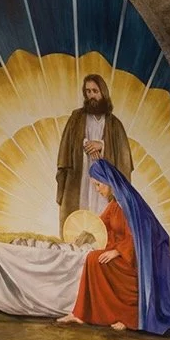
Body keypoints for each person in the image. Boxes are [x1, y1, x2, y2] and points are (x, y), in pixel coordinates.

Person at [57, 159, 170, 334]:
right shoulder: (114, 204)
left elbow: (140, 235)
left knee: (95, 259)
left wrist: (117, 251)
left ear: (109, 181)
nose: (98, 190)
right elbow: (99, 225)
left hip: (136, 260)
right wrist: (84, 235)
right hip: (122, 254)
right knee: (92, 258)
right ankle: (80, 314)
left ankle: (129, 318)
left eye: (99, 185)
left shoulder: (128, 202)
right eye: (95, 186)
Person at [55, 74, 134, 233]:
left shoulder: (114, 124)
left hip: (104, 180)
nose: (91, 95)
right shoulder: (76, 118)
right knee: (80, 214)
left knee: (102, 216)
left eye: (95, 91)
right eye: (88, 92)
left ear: (103, 92)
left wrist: (102, 146)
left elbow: (124, 158)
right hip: (80, 176)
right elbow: (66, 147)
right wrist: (84, 144)